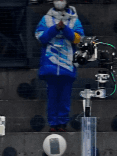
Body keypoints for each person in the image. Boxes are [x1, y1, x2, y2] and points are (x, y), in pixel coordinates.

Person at [35, 0, 84, 132]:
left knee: (64, 97)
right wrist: (55, 29)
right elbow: (41, 38)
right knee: (52, 97)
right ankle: (52, 123)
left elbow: (78, 39)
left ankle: (62, 123)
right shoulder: (46, 19)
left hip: (67, 66)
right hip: (50, 65)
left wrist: (65, 29)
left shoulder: (74, 20)